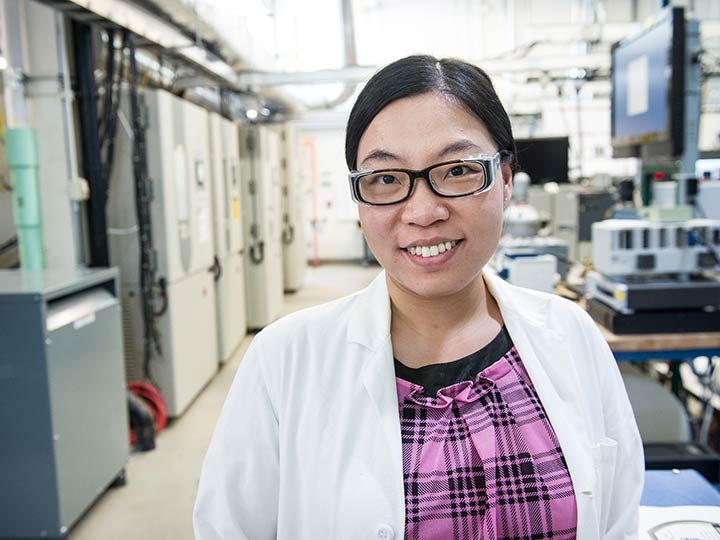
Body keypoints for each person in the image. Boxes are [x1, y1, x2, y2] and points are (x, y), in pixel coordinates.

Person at [193, 55, 644, 540]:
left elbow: (617, 517)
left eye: (456, 170)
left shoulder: (571, 335)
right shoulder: (285, 359)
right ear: (360, 198)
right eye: (386, 179)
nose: (423, 211)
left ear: (507, 178)